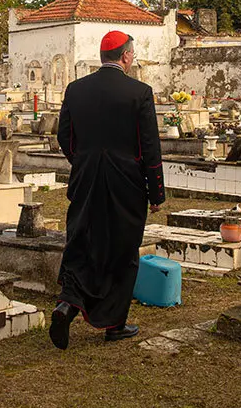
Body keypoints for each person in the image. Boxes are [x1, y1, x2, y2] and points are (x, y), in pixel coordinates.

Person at [49, 30, 165, 349]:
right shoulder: (139, 92)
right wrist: (156, 193)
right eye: (133, 54)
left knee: (82, 241)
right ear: (125, 56)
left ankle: (67, 304)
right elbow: (149, 146)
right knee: (122, 250)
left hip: (86, 179)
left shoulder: (76, 89)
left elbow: (64, 136)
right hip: (125, 183)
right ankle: (115, 324)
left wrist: (83, 161)